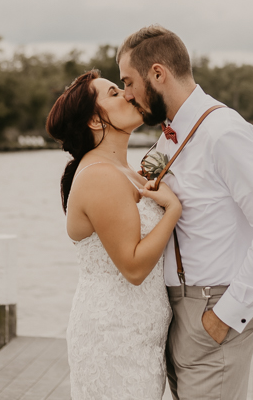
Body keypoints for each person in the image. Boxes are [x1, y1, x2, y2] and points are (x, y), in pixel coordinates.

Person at [117, 26, 253, 400]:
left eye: (129, 82)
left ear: (158, 74)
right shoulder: (168, 137)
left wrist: (226, 315)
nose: (127, 94)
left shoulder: (224, 133)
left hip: (214, 309)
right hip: (175, 313)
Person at [45, 69, 181, 400]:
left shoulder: (129, 172)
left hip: (140, 337)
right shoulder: (100, 176)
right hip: (112, 340)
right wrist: (172, 211)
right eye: (113, 93)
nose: (128, 94)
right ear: (94, 120)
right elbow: (133, 267)